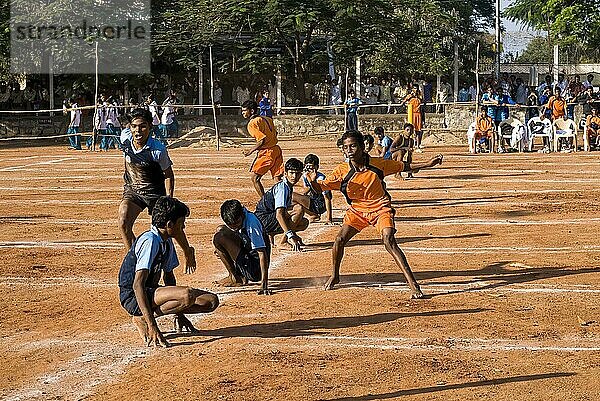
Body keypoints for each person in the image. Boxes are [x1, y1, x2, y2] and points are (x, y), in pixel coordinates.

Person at [309, 130, 443, 298]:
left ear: (363, 147)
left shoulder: (378, 164)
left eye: (352, 146)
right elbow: (319, 188)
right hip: (357, 211)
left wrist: (428, 164)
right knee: (339, 240)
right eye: (345, 147)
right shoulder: (342, 171)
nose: (349, 150)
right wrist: (313, 180)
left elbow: (405, 166)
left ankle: (413, 284)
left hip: (380, 209)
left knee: (389, 241)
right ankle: (335, 276)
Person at [118, 196, 219, 347]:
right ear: (169, 224)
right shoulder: (150, 241)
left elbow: (169, 278)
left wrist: (181, 312)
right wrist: (153, 326)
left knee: (210, 301)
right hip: (133, 295)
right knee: (187, 294)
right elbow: (137, 284)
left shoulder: (166, 241)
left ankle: (146, 316)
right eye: (181, 224)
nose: (183, 228)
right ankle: (143, 318)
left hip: (151, 291)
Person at [118, 108, 196, 272]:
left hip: (155, 193)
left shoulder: (158, 149)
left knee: (170, 228)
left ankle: (187, 250)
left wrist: (169, 199)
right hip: (133, 191)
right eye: (134, 126)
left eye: (143, 126)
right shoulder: (125, 138)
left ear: (150, 127)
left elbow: (168, 174)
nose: (138, 131)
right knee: (123, 221)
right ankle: (134, 260)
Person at [213, 199, 272, 294]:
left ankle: (235, 277)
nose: (235, 227)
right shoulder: (242, 215)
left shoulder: (252, 223)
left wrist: (264, 283)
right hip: (247, 252)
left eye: (237, 223)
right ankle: (237, 275)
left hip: (254, 270)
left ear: (242, 215)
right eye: (231, 225)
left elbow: (262, 253)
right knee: (220, 229)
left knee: (219, 238)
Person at [254, 158, 309, 250]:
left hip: (265, 219)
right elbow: (279, 215)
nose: (294, 176)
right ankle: (283, 242)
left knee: (303, 223)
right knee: (298, 209)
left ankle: (272, 235)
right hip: (261, 221)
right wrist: (291, 235)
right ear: (285, 173)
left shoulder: (288, 186)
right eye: (291, 173)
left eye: (297, 173)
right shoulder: (282, 188)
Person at [241, 99, 284, 197]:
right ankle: (284, 198)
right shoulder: (267, 119)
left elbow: (261, 140)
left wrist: (249, 151)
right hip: (276, 150)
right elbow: (275, 133)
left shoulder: (252, 123)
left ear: (252, 111)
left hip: (266, 152)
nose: (242, 113)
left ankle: (264, 202)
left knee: (255, 178)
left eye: (244, 111)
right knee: (277, 179)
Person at [294, 154, 333, 224]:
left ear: (317, 167)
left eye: (311, 168)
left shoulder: (321, 178)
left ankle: (314, 215)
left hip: (321, 204)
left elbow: (327, 198)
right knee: (292, 197)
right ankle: (313, 214)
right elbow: (306, 190)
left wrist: (329, 218)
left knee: (293, 196)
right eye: (307, 168)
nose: (309, 170)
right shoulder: (306, 176)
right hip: (313, 200)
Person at [401, 85, 424, 151]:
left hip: (418, 114)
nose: (415, 90)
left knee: (418, 131)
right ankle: (409, 144)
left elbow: (423, 101)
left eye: (416, 88)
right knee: (410, 130)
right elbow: (403, 102)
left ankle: (417, 145)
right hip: (411, 114)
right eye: (414, 88)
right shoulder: (409, 96)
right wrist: (410, 97)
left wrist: (417, 95)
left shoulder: (419, 96)